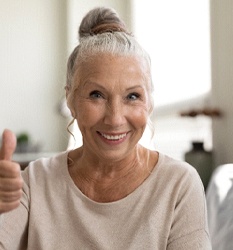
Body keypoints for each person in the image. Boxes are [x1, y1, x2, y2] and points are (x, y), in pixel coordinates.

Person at [0, 7, 211, 249]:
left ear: (149, 102)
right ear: (70, 99)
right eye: (96, 94)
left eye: (132, 96)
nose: (115, 119)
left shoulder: (179, 186)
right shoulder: (34, 183)